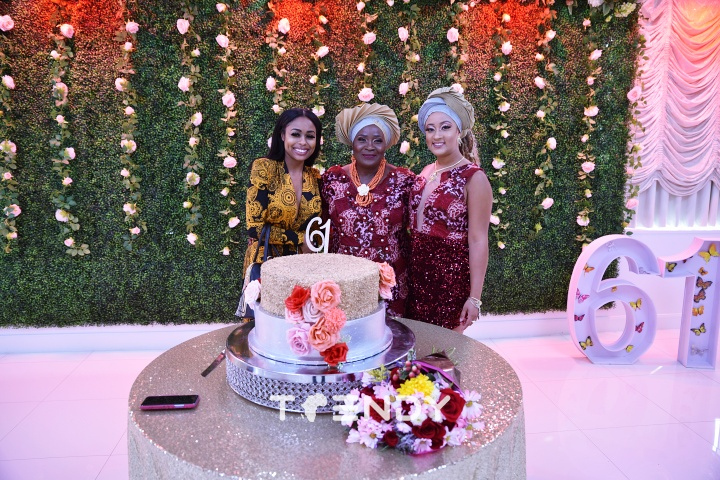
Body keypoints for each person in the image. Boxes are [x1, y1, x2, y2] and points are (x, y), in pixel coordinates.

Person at [407, 87, 492, 332]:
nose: (437, 136)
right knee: (416, 349)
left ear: (458, 131)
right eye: (430, 129)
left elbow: (478, 240)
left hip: (449, 283)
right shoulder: (425, 171)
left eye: (445, 127)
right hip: (416, 280)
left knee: (444, 351)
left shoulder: (474, 178)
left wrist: (474, 298)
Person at [321, 103, 415, 318]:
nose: (370, 146)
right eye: (362, 139)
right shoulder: (332, 179)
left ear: (386, 144)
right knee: (345, 331)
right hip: (344, 280)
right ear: (352, 143)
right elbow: (319, 227)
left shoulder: (405, 181)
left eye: (378, 140)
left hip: (392, 282)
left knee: (390, 335)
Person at [242, 108, 323, 276]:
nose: (303, 142)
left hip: (303, 268)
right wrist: (300, 239)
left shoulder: (314, 177)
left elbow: (316, 227)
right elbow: (255, 228)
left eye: (310, 136)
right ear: (282, 135)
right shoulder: (264, 168)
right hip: (266, 265)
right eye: (295, 134)